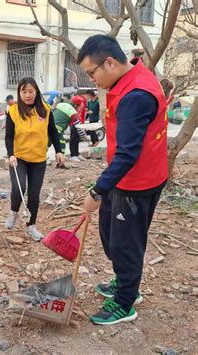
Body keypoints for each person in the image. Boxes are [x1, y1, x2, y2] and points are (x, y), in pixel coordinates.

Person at [78, 35, 168, 325]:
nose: (92, 80)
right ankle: (124, 280)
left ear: (110, 62)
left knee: (126, 243)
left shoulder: (135, 95)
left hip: (138, 181)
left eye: (92, 73)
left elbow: (128, 154)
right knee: (111, 233)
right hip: (128, 176)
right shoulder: (129, 79)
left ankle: (126, 301)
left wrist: (97, 191)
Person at [4, 77, 65, 241]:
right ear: (19, 93)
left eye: (31, 91)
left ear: (36, 92)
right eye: (24, 92)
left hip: (38, 159)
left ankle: (31, 226)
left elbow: (53, 132)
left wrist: (59, 151)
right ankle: (14, 212)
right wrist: (10, 154)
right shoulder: (14, 111)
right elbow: (9, 136)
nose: (27, 95)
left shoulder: (45, 109)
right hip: (19, 158)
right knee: (19, 188)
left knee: (34, 195)